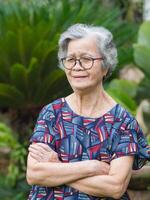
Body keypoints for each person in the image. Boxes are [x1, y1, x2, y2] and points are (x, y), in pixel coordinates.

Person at [26, 23, 150, 200]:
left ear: (105, 66)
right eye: (70, 59)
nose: (76, 66)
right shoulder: (52, 113)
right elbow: (34, 174)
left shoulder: (122, 122)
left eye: (86, 59)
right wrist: (91, 167)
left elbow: (115, 187)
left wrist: (57, 166)